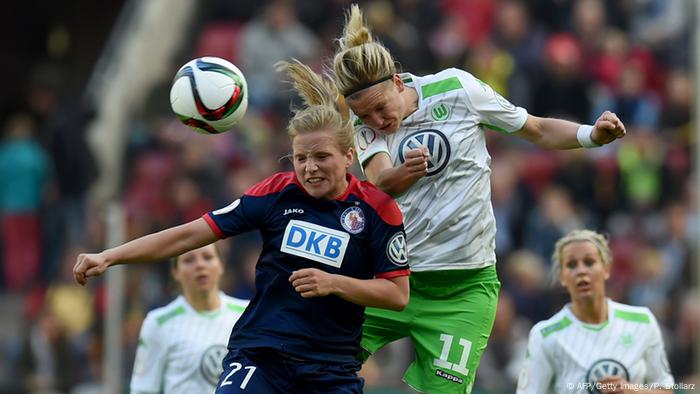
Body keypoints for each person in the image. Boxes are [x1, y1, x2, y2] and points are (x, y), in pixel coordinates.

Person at [330, 5, 627, 393]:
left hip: (464, 290)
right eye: (363, 115)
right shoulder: (364, 123)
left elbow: (535, 128)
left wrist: (591, 135)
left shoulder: (458, 88)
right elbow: (381, 180)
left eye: (380, 108)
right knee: (321, 364)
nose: (375, 121)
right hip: (392, 278)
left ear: (399, 82)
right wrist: (405, 173)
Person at [73, 59, 410, 394]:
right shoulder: (277, 193)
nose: (309, 168)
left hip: (331, 367)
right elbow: (191, 234)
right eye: (300, 158)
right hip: (261, 356)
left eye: (321, 157)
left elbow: (397, 295)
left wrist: (333, 283)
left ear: (348, 156)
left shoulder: (377, 209)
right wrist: (110, 256)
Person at [516, 230, 674, 393]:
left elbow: (666, 390)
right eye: (571, 265)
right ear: (562, 277)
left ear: (606, 269)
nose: (581, 271)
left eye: (589, 262)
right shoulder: (544, 335)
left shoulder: (642, 322)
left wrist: (633, 391)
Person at [129, 243, 249, 393]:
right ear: (175, 272)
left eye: (208, 257)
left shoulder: (248, 314)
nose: (200, 265)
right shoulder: (158, 323)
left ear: (221, 265)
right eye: (189, 260)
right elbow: (143, 389)